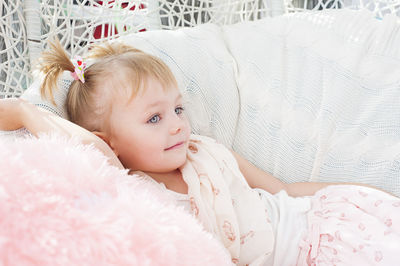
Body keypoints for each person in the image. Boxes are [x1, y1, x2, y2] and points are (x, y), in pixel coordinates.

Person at [0, 39, 399, 266]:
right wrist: (23, 111)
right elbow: (86, 148)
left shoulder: (206, 150)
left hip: (320, 228)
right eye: (153, 119)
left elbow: (285, 189)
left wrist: (362, 194)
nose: (176, 124)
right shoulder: (132, 189)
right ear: (111, 143)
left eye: (177, 109)